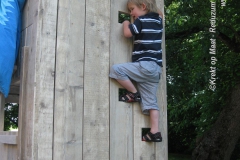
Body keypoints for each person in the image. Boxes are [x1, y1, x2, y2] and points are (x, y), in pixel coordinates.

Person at [109, 0, 163, 142]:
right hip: (155, 70)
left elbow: (127, 33)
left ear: (143, 7)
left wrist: (127, 22)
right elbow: (160, 14)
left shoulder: (142, 20)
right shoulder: (158, 21)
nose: (131, 13)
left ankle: (133, 93)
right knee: (151, 102)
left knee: (116, 70)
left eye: (132, 9)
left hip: (145, 65)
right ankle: (155, 132)